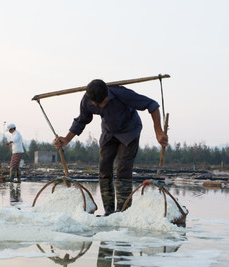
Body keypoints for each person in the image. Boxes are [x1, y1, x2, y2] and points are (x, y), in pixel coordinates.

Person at [54, 79, 168, 216]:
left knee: (123, 170)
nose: (102, 105)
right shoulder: (87, 101)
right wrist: (66, 139)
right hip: (109, 133)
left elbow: (152, 105)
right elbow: (82, 120)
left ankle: (123, 212)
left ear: (107, 93)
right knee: (104, 169)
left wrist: (158, 132)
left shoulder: (121, 93)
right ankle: (109, 212)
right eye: (99, 104)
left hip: (129, 131)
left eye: (105, 101)